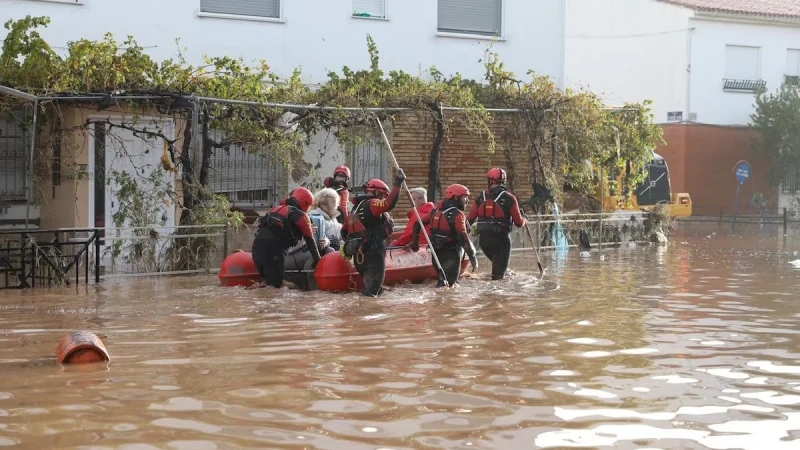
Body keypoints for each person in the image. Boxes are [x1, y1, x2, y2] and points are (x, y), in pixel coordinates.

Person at [341, 169, 406, 297]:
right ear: (377, 193)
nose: (383, 199)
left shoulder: (354, 209)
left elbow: (343, 232)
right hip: (373, 256)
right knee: (370, 295)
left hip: (360, 257)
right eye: (383, 196)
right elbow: (388, 204)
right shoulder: (372, 204)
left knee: (373, 292)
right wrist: (398, 183)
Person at [409, 184, 478, 287]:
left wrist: (415, 242)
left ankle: (437, 301)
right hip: (452, 256)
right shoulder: (458, 215)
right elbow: (462, 237)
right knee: (450, 286)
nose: (467, 200)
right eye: (465, 197)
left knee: (442, 282)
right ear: (456, 197)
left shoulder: (436, 211)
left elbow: (418, 223)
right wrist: (473, 257)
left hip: (436, 255)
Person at [252, 187, 321, 288]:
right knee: (274, 290)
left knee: (269, 285)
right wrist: (319, 262)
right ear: (305, 203)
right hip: (273, 253)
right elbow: (311, 243)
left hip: (256, 250)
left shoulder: (274, 209)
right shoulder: (301, 216)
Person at [466, 168, 526, 280]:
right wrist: (524, 220)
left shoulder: (480, 197)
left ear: (489, 181)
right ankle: (496, 296)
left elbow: (470, 219)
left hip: (484, 242)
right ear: (504, 181)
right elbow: (518, 223)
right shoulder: (510, 198)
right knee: (498, 278)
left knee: (499, 268)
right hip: (501, 242)